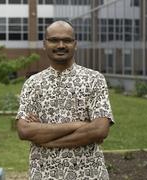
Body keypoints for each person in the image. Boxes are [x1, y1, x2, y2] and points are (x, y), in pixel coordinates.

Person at [16, 20, 114, 180]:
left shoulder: (94, 79)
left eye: (67, 40)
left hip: (89, 175)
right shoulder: (33, 83)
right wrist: (79, 126)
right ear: (44, 44)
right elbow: (24, 130)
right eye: (54, 40)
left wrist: (46, 139)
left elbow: (99, 130)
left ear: (75, 44)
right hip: (43, 174)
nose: (60, 45)